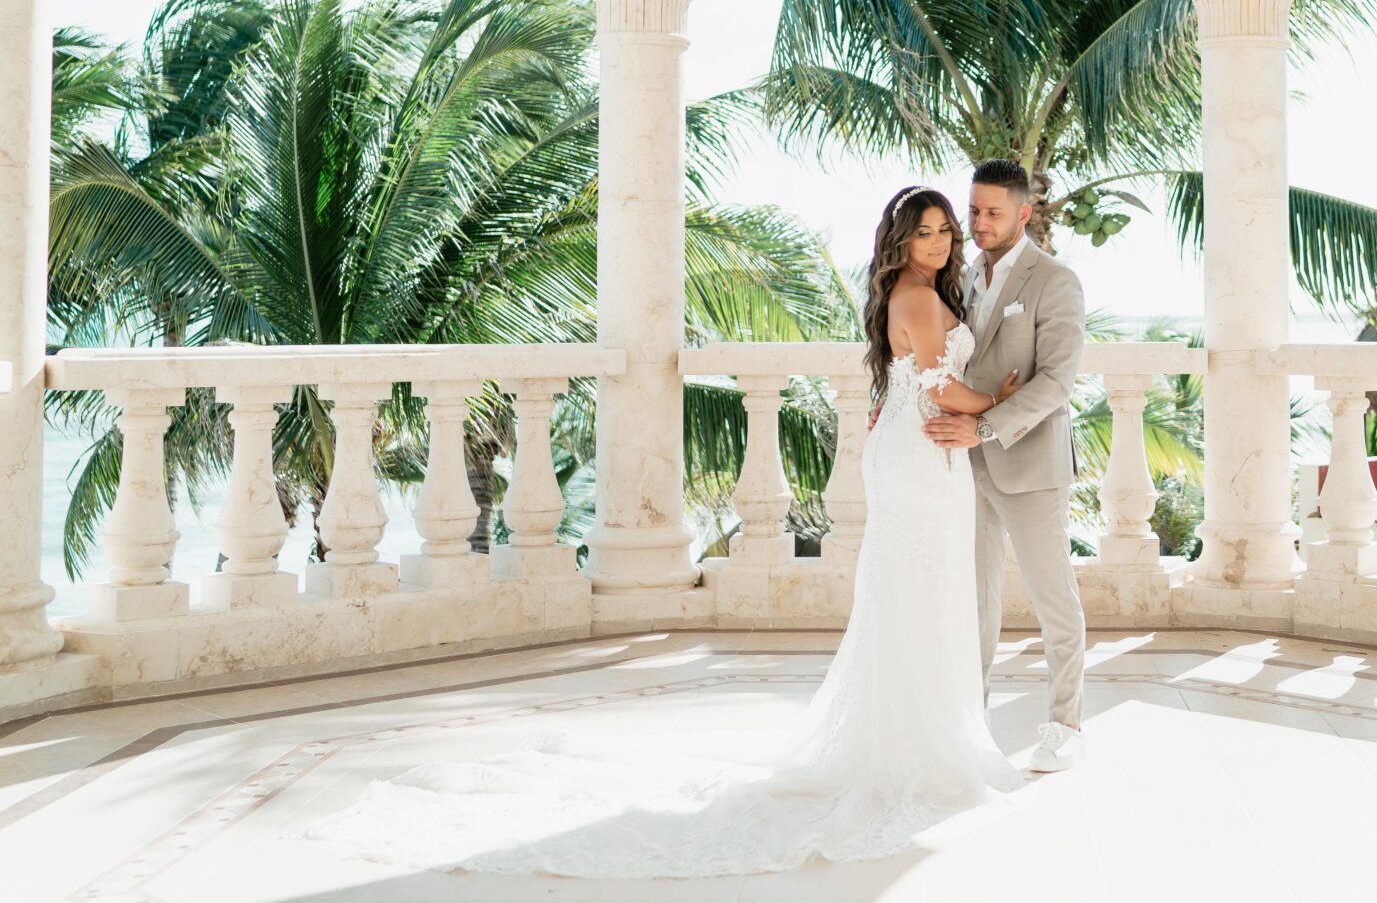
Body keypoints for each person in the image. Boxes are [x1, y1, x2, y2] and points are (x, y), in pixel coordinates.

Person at [307, 185, 1030, 878]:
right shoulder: (919, 297)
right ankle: (921, 752)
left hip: (912, 448)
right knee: (921, 593)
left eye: (944, 231)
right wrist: (1000, 397)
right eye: (925, 231)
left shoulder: (913, 296)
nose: (937, 243)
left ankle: (912, 741)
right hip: (926, 451)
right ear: (901, 241)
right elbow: (939, 387)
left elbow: (913, 382)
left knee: (911, 594)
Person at [925, 158, 1089, 772]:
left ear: (1024, 213)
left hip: (1029, 464)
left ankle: (1066, 721)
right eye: (974, 210)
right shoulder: (962, 278)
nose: (980, 222)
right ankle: (973, 722)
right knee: (974, 603)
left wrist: (985, 425)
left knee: (1054, 600)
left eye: (994, 212)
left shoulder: (1055, 281)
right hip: (966, 469)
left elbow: (1058, 382)